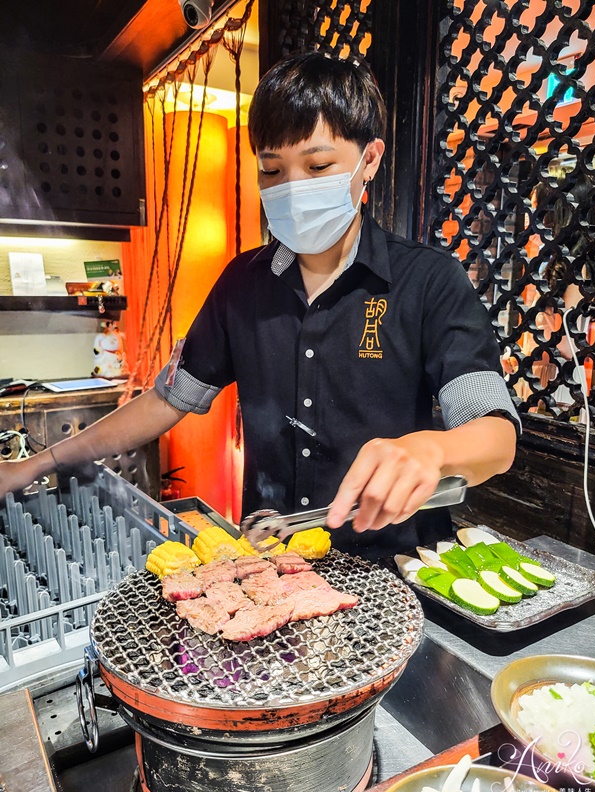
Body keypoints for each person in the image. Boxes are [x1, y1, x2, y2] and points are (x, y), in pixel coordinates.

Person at [0, 52, 518, 559]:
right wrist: (34, 465)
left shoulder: (428, 280)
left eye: (318, 166)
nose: (293, 188)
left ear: (370, 160)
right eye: (272, 171)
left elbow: (496, 438)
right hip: (276, 564)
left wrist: (432, 449)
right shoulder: (241, 284)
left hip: (397, 566)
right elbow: (165, 400)